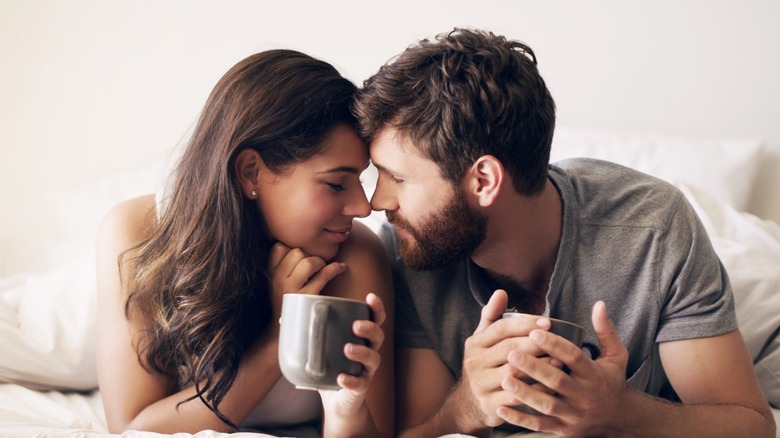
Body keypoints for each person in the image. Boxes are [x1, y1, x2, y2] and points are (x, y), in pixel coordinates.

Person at [354, 28, 776, 438]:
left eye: (398, 178)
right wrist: (463, 407)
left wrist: (619, 413)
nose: (377, 201)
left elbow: (751, 425)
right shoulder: (409, 249)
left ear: (483, 181)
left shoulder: (653, 232)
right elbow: (413, 432)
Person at [95, 50, 394, 437]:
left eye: (360, 180)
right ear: (251, 172)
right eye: (337, 184)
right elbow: (133, 429)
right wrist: (278, 340)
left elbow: (374, 431)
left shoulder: (354, 255)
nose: (363, 207)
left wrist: (345, 407)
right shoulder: (137, 233)